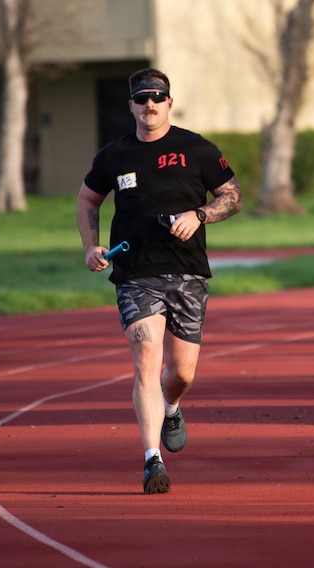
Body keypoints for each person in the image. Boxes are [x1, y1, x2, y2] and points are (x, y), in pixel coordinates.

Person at [76, 68, 242, 494]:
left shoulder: (196, 148)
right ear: (131, 105)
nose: (149, 104)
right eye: (141, 98)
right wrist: (91, 246)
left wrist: (199, 215)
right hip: (135, 273)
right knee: (146, 361)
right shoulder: (114, 155)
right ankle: (153, 460)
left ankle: (173, 405)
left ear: (169, 102)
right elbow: (88, 198)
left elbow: (232, 197)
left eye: (156, 97)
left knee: (181, 373)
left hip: (188, 272)